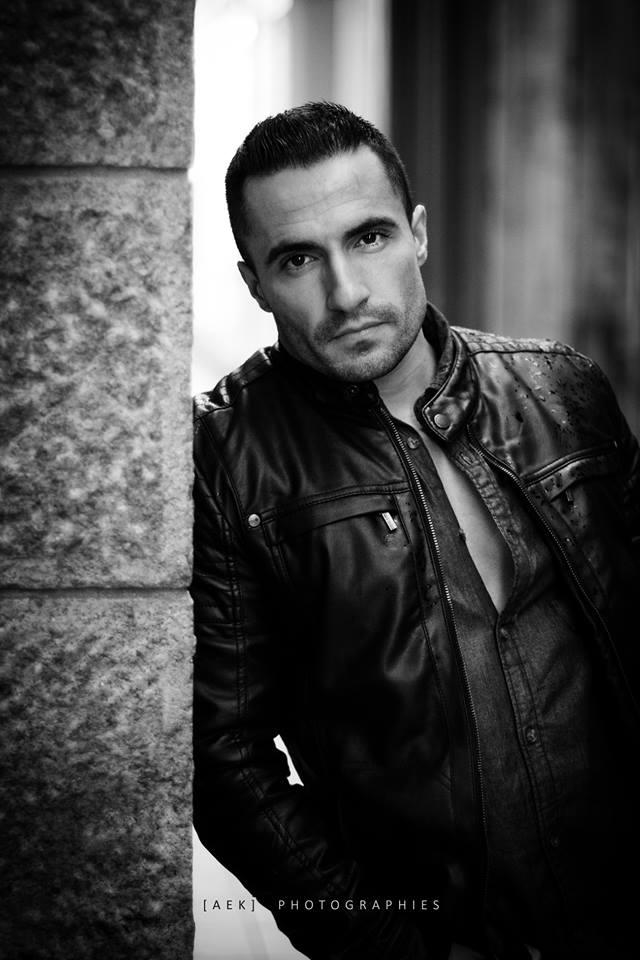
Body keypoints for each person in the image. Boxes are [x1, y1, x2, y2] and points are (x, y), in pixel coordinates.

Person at [191, 102, 640, 960]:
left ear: (418, 234)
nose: (346, 292)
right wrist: (386, 944)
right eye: (297, 259)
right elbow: (224, 762)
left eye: (369, 238)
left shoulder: (564, 392)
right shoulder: (226, 461)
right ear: (254, 282)